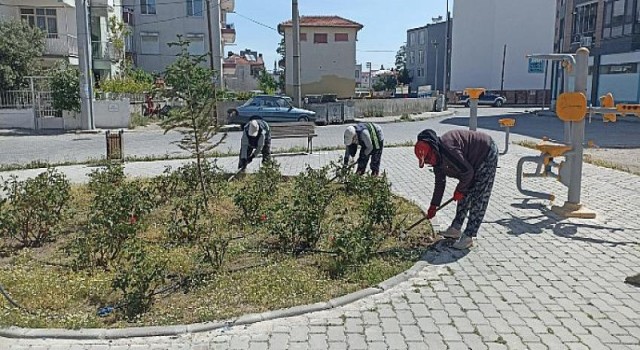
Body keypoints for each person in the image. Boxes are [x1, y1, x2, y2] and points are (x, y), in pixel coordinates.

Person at [414, 129, 499, 249]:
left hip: (485, 154)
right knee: (464, 193)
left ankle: (469, 236)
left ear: (434, 149)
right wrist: (434, 206)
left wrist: (460, 190)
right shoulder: (437, 160)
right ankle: (456, 228)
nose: (430, 162)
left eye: (429, 157)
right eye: (426, 161)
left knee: (479, 197)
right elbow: (440, 183)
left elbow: (467, 172)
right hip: (470, 164)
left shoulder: (449, 149)